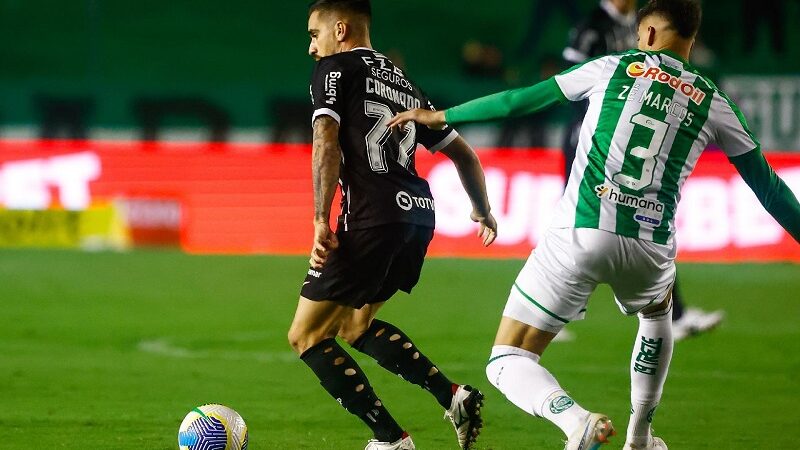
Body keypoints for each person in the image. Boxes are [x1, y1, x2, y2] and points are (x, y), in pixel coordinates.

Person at [389, 0, 800, 448]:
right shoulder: (715, 101)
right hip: (649, 246)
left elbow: (517, 101)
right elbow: (770, 189)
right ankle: (640, 436)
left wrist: (442, 115)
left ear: (645, 34)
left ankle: (574, 420)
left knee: (506, 358)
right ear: (692, 40)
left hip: (581, 231)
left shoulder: (612, 66)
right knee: (658, 308)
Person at [287, 1, 498, 450]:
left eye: (313, 34)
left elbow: (325, 141)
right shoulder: (403, 82)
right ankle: (453, 396)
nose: (311, 47)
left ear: (339, 29)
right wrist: (482, 208)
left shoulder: (334, 69)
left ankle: (391, 440)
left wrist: (320, 219)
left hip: (372, 215)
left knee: (306, 336)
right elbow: (464, 153)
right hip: (418, 214)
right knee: (354, 326)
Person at [562, 0, 723, 342]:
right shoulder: (593, 25)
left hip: (627, 143)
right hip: (592, 142)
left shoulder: (634, 23)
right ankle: (556, 313)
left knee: (647, 223)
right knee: (578, 225)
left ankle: (675, 313)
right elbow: (571, 83)